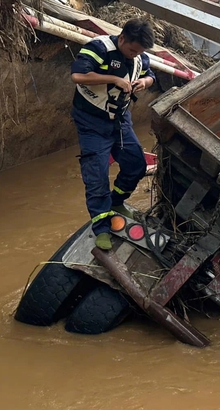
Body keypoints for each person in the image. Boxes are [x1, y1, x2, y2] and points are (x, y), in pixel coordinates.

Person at [70, 18, 156, 251]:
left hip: (120, 121)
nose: (133, 55)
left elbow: (151, 75)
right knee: (96, 175)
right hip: (91, 123)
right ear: (122, 38)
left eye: (138, 52)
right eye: (131, 50)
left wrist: (144, 82)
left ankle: (116, 202)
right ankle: (101, 227)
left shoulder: (139, 57)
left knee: (136, 165)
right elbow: (78, 76)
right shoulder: (98, 49)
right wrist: (114, 79)